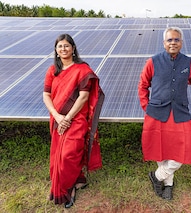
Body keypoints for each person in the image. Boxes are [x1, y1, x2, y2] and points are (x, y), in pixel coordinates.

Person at [138, 27, 191, 200]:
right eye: (169, 40)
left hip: (180, 112)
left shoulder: (188, 63)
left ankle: (157, 177)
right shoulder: (152, 62)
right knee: (160, 150)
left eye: (176, 40)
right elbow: (142, 86)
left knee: (183, 149)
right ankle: (168, 185)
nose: (173, 43)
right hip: (157, 113)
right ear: (164, 43)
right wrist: (147, 107)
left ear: (181, 43)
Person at [43, 34, 105, 208]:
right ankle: (78, 180)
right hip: (57, 119)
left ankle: (67, 189)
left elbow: (84, 96)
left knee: (68, 156)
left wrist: (67, 118)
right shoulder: (52, 71)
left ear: (73, 48)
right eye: (60, 46)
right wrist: (57, 116)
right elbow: (46, 95)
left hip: (76, 120)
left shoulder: (82, 69)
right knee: (58, 155)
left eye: (66, 46)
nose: (63, 49)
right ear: (56, 50)